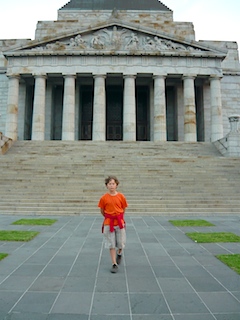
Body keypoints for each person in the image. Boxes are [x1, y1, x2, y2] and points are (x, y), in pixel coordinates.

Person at [98, 176, 128, 273]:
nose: (111, 186)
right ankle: (114, 263)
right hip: (108, 222)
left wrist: (119, 217)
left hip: (119, 222)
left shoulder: (121, 196)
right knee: (111, 244)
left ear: (116, 185)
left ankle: (119, 253)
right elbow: (102, 210)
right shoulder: (104, 198)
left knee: (121, 243)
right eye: (109, 184)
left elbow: (123, 208)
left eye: (113, 184)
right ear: (107, 185)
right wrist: (109, 217)